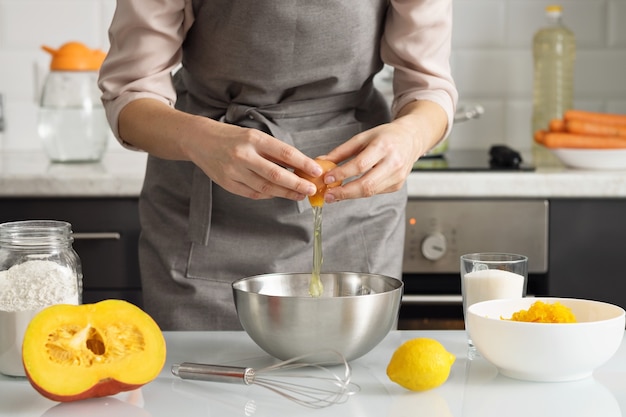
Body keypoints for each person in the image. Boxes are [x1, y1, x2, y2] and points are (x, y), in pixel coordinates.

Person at [98, 0, 458, 330]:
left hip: (352, 210)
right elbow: (130, 90)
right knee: (195, 385)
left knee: (351, 386)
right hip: (205, 204)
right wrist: (202, 140)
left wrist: (410, 135)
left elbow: (428, 86)